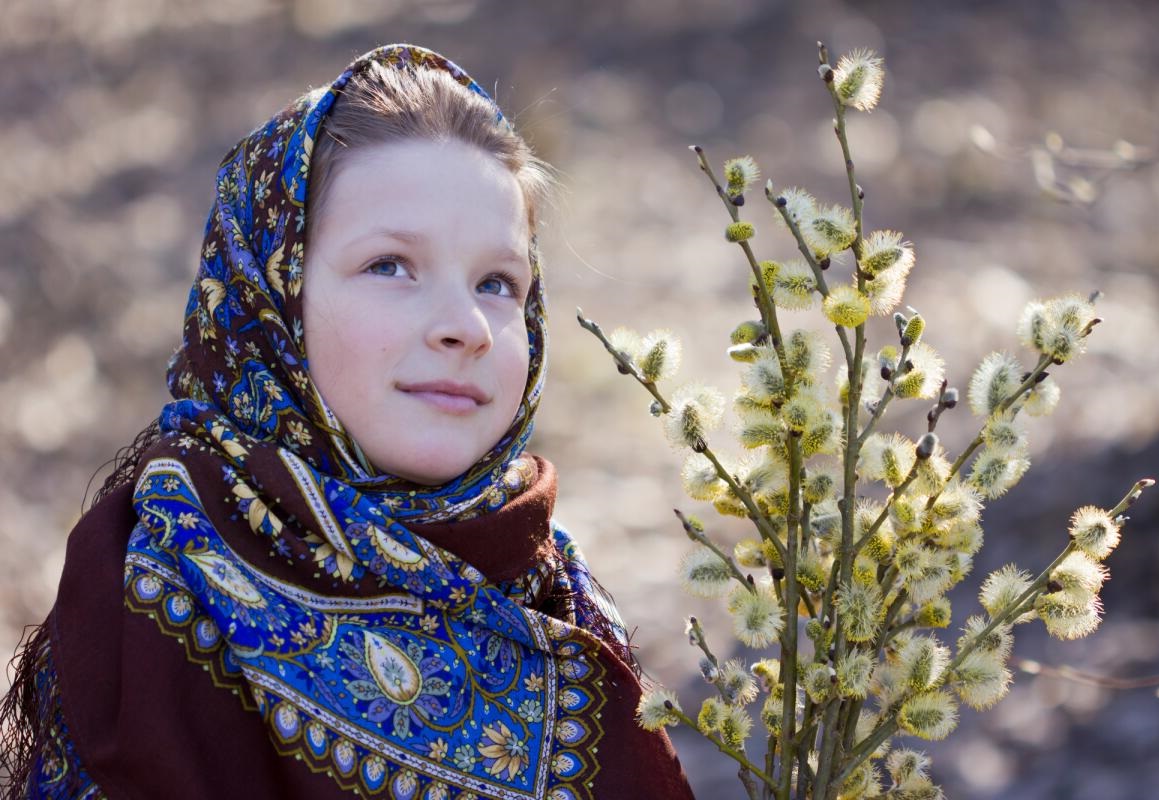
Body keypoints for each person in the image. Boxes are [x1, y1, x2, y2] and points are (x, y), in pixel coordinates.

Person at [0, 44, 694, 800]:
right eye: (390, 266)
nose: (467, 325)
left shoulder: (561, 597)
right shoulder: (162, 589)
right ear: (274, 303)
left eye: (498, 283)